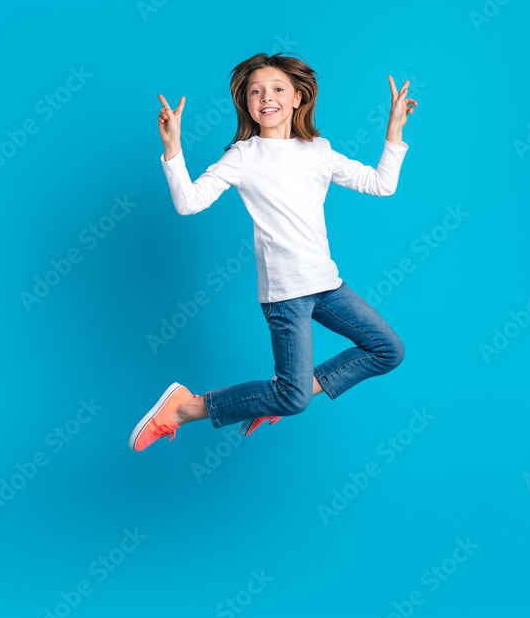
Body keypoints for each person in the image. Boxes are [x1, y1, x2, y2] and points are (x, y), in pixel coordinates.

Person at [130, 52, 417, 451]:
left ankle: (276, 397)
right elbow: (189, 202)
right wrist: (173, 148)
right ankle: (183, 408)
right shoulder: (243, 157)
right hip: (285, 296)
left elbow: (381, 183)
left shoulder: (318, 150)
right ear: (246, 103)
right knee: (293, 398)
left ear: (298, 97)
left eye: (278, 88)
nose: (267, 97)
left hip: (327, 286)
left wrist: (395, 128)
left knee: (388, 350)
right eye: (256, 91)